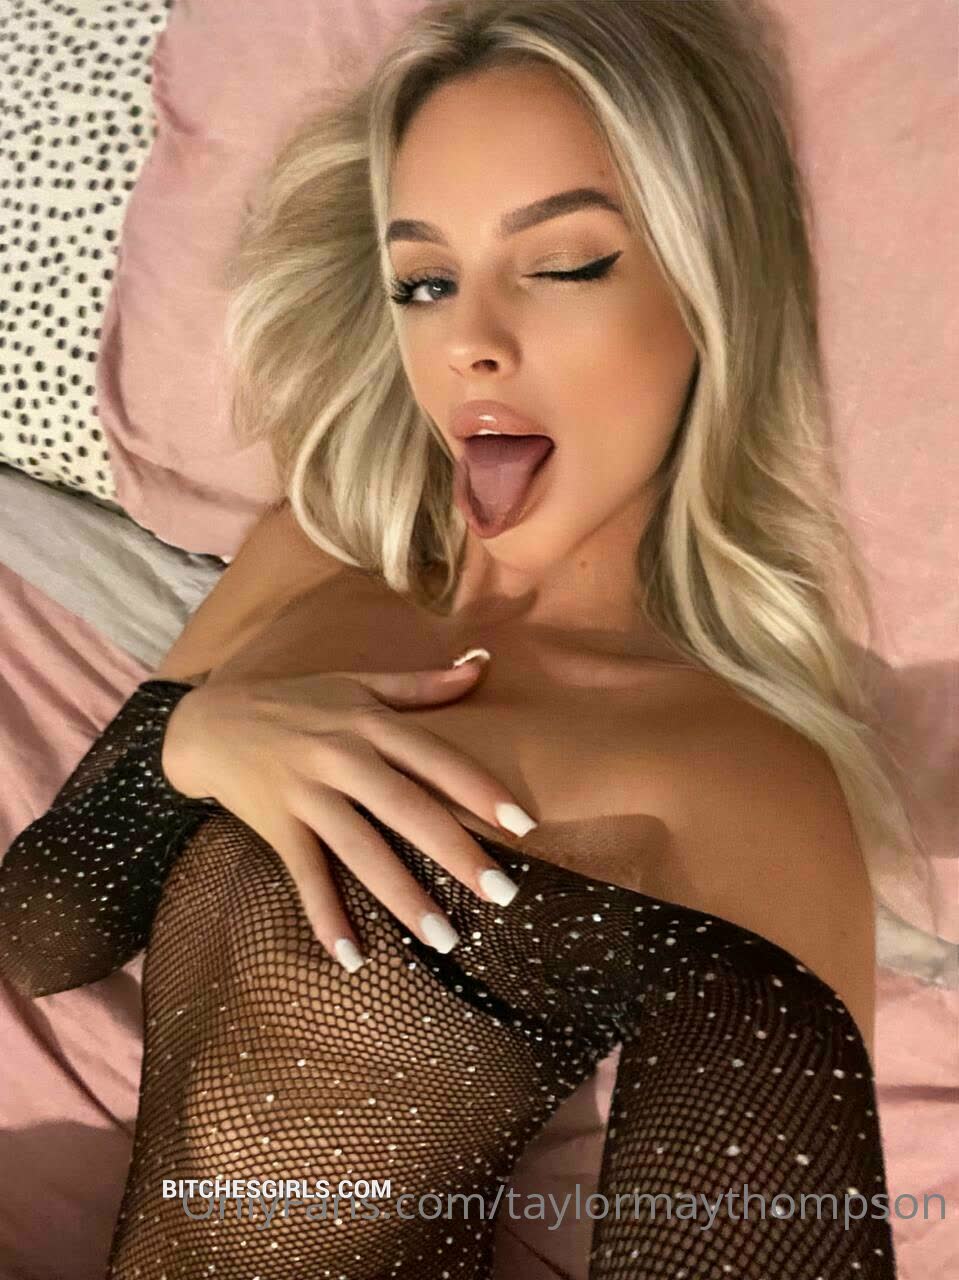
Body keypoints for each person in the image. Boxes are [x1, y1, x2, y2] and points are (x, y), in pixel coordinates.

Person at [0, 1, 913, 1275]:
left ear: (707, 293)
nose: (468, 344)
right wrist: (192, 742)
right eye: (424, 282)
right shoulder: (310, 550)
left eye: (565, 265)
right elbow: (41, 938)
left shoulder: (739, 780)